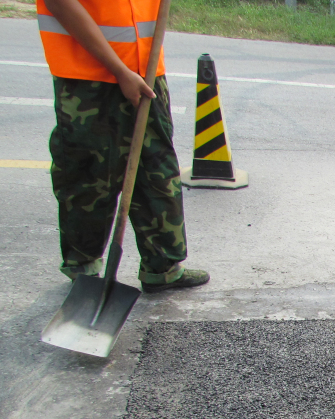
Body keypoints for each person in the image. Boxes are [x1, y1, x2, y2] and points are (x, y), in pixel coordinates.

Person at [37, 0, 209, 292]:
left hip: (147, 67)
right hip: (88, 80)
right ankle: (84, 272)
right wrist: (119, 71)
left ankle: (162, 268)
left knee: (157, 168)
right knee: (89, 177)